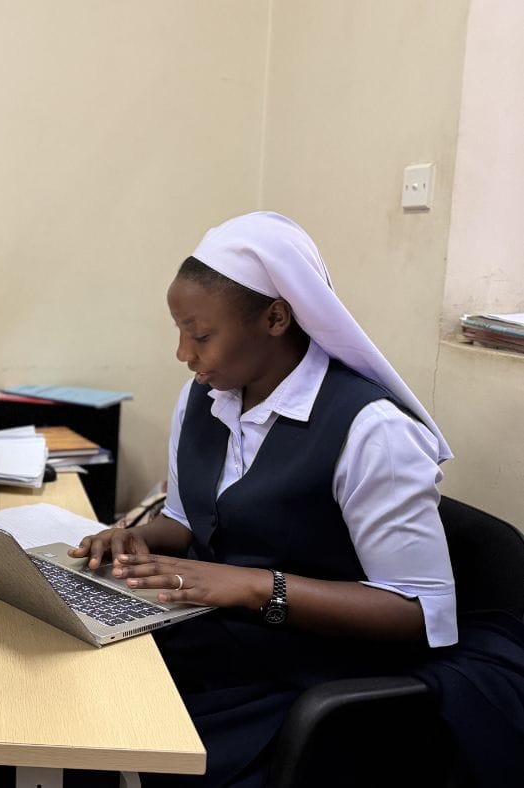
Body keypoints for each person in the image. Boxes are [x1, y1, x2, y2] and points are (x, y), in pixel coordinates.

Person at [70, 211, 458, 786]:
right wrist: (133, 538)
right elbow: (187, 519)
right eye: (179, 331)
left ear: (276, 318)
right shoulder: (205, 397)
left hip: (304, 670)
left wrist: (255, 585)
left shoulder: (372, 429)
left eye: (200, 335)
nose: (184, 353)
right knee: (74, 677)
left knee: (110, 720)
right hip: (223, 633)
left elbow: (421, 613)